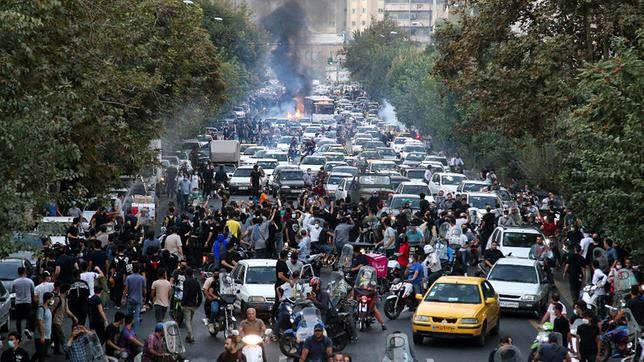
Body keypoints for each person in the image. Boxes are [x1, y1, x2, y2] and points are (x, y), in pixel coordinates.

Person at [11, 267, 34, 338]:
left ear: (18, 273)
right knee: (29, 317)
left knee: (18, 319)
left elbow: (13, 291)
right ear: (25, 272)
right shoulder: (30, 281)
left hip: (18, 302)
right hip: (27, 302)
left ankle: (19, 334)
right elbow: (32, 291)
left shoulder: (15, 282)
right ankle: (27, 328)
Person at [181, 267, 202, 344]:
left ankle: (191, 336)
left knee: (187, 321)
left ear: (186, 274)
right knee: (190, 320)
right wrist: (199, 303)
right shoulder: (196, 282)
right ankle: (188, 335)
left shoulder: (186, 282)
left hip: (187, 304)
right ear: (192, 274)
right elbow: (200, 294)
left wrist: (182, 303)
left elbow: (185, 294)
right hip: (194, 305)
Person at [124, 263, 146, 334]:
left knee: (129, 314)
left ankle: (127, 328)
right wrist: (144, 297)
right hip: (139, 298)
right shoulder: (142, 278)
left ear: (132, 269)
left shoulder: (129, 278)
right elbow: (144, 289)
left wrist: (123, 297)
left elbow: (126, 289)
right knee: (137, 316)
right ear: (139, 270)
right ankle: (134, 332)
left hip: (130, 298)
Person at [33, 292, 53, 362]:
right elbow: (40, 322)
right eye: (51, 299)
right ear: (47, 299)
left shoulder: (48, 309)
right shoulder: (41, 309)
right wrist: (42, 335)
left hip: (47, 335)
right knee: (41, 356)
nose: (52, 300)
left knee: (41, 353)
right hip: (40, 336)